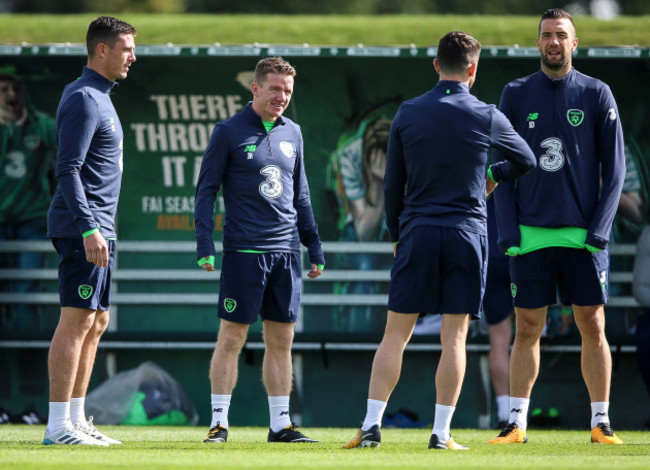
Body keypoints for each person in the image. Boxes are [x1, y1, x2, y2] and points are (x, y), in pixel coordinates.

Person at [342, 31, 535, 450]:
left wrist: (396, 233)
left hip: (418, 233)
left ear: (435, 65)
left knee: (395, 335)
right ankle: (440, 433)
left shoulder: (408, 113)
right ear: (473, 68)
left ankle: (372, 425)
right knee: (455, 339)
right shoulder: (486, 113)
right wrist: (493, 176)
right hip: (466, 235)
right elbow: (526, 159)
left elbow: (393, 185)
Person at [488, 8, 625, 445]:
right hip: (529, 236)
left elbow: (616, 171)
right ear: (537, 42)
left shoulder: (597, 93)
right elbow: (502, 169)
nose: (553, 42)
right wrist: (507, 232)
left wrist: (599, 231)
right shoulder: (515, 93)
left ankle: (600, 422)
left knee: (593, 324)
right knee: (526, 328)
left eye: (561, 35)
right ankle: (516, 423)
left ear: (574, 43)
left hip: (583, 237)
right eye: (546, 34)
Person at [194, 57, 325, 444]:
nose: (281, 96)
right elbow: (205, 192)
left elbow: (300, 195)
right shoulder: (228, 131)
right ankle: (219, 424)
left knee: (282, 340)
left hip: (286, 253)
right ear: (256, 88)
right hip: (244, 253)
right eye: (275, 89)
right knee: (232, 337)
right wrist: (205, 243)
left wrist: (313, 245)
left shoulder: (294, 133)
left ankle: (281, 425)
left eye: (287, 90)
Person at [43, 16, 136, 446]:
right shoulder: (83, 97)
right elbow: (67, 168)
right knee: (77, 320)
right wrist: (88, 228)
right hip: (84, 228)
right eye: (126, 48)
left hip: (100, 230)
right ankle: (57, 426)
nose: (132, 56)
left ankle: (77, 420)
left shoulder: (102, 96)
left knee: (97, 321)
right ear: (102, 50)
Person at [0, 67, 56, 330]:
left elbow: (68, 159)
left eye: (16, 88)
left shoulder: (41, 124)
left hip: (31, 218)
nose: (11, 95)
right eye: (3, 90)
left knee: (26, 289)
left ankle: (27, 358)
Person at [484, 195, 513, 429]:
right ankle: (515, 413)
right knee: (528, 335)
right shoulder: (528, 158)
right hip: (522, 248)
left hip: (491, 253)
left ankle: (507, 413)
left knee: (500, 339)